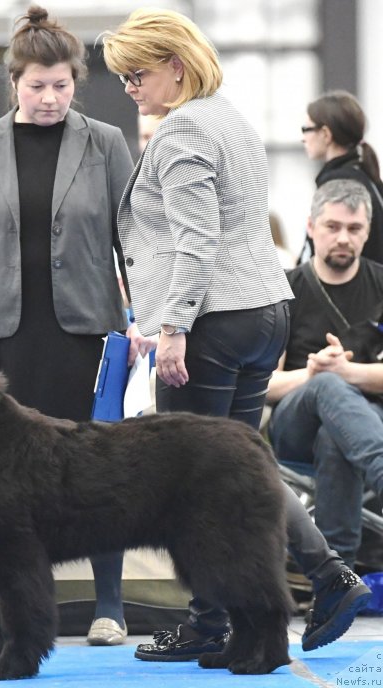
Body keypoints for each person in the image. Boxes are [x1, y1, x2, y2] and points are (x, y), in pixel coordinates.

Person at [100, 7, 370, 661]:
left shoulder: (183, 132)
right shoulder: (231, 117)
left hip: (213, 320)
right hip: (263, 311)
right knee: (241, 470)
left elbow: (197, 242)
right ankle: (279, 594)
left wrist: (171, 328)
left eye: (136, 74)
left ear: (175, 65)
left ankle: (235, 610)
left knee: (197, 479)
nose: (129, 88)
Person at [0, 5, 134, 649]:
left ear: (77, 82)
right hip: (0, 335)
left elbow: (135, 235)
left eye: (62, 86)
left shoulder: (106, 143)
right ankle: (2, 611)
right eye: (36, 86)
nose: (49, 98)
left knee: (98, 465)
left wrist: (153, 315)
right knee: (0, 480)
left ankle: (109, 606)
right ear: (13, 83)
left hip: (87, 331)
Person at [268, 179, 383, 569]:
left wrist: (349, 372)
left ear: (368, 232)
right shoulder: (284, 289)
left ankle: (337, 575)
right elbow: (265, 385)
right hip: (293, 423)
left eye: (354, 229)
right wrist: (314, 374)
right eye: (332, 227)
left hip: (366, 422)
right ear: (311, 226)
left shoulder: (381, 285)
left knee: (335, 435)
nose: (343, 238)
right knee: (327, 385)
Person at [300, 90, 383, 264]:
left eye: (306, 129)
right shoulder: (363, 175)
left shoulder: (340, 183)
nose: (303, 138)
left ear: (325, 134)